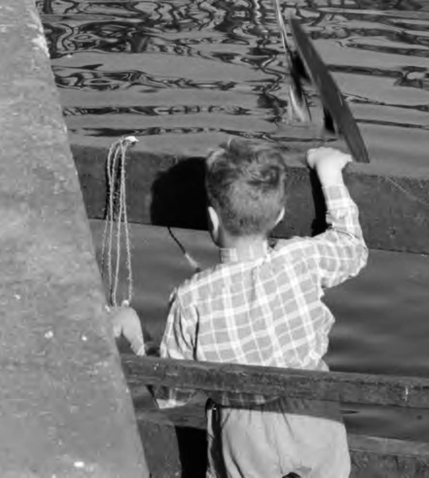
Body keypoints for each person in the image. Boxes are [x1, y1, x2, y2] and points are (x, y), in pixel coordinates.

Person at [111, 141, 365, 478]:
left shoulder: (192, 298)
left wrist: (136, 332)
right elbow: (351, 246)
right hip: (315, 412)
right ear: (280, 215)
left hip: (243, 432)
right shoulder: (302, 258)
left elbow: (170, 391)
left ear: (212, 219)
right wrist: (328, 173)